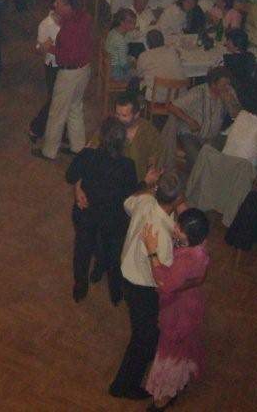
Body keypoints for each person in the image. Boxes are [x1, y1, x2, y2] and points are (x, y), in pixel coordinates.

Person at [111, 172, 186, 401]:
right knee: (145, 338)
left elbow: (128, 203)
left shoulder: (145, 201)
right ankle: (124, 386)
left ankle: (126, 381)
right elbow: (163, 277)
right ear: (177, 199)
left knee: (144, 335)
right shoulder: (162, 235)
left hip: (128, 272)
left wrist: (146, 184)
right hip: (142, 287)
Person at [141, 209, 211, 411]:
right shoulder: (200, 246)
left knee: (171, 354)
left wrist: (152, 250)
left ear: (189, 236)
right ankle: (179, 381)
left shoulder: (187, 259)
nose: (175, 228)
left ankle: (163, 397)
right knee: (182, 347)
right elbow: (199, 277)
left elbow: (164, 283)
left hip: (179, 311)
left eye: (179, 228)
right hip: (190, 302)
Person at [66, 118, 138, 304]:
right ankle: (115, 293)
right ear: (123, 142)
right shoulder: (127, 165)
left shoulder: (88, 155)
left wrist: (78, 185)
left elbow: (70, 176)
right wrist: (146, 182)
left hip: (87, 214)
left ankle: (80, 287)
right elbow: (130, 192)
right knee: (114, 256)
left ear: (101, 138)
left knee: (83, 252)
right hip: (113, 220)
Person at [35, 0, 92, 160]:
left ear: (68, 5)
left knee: (57, 112)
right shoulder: (84, 17)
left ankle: (49, 151)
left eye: (58, 2)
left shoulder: (70, 28)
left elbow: (67, 56)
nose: (55, 5)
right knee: (75, 108)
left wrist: (49, 48)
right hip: (84, 69)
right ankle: (78, 147)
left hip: (69, 73)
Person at [167, 66, 240, 168]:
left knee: (228, 156)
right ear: (213, 84)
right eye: (223, 85)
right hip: (191, 134)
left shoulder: (229, 91)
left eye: (228, 84)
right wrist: (189, 120)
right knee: (198, 161)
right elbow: (172, 106)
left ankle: (189, 162)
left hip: (212, 137)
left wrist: (230, 102)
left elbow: (237, 116)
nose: (226, 87)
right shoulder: (197, 93)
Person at [28, 7, 61, 142]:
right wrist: (47, 47)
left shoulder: (69, 19)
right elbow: (39, 49)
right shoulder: (45, 24)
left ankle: (58, 131)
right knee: (55, 99)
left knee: (61, 100)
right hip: (53, 66)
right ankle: (36, 128)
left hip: (65, 64)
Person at [136, 30, 187, 103]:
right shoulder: (173, 52)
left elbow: (139, 75)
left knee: (135, 83)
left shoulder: (144, 56)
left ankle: (136, 106)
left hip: (158, 97)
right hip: (179, 95)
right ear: (163, 40)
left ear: (147, 43)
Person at [105, 9, 137, 81]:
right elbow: (123, 64)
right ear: (122, 22)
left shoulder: (112, 32)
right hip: (116, 72)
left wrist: (129, 58)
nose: (133, 26)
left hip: (108, 67)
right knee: (139, 74)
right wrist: (133, 65)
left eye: (134, 23)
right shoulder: (121, 41)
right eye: (130, 22)